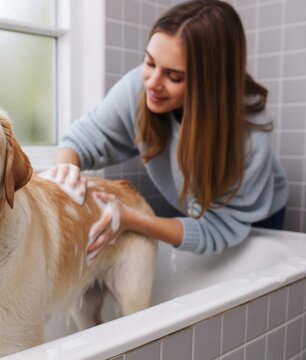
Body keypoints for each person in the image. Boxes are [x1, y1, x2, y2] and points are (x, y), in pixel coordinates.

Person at [49, 0, 288, 258]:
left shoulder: (246, 134)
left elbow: (219, 227)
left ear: (209, 82)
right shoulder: (138, 88)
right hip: (203, 215)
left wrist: (132, 219)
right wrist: (67, 170)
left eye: (174, 77)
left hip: (254, 220)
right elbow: (81, 139)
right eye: (150, 63)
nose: (152, 83)